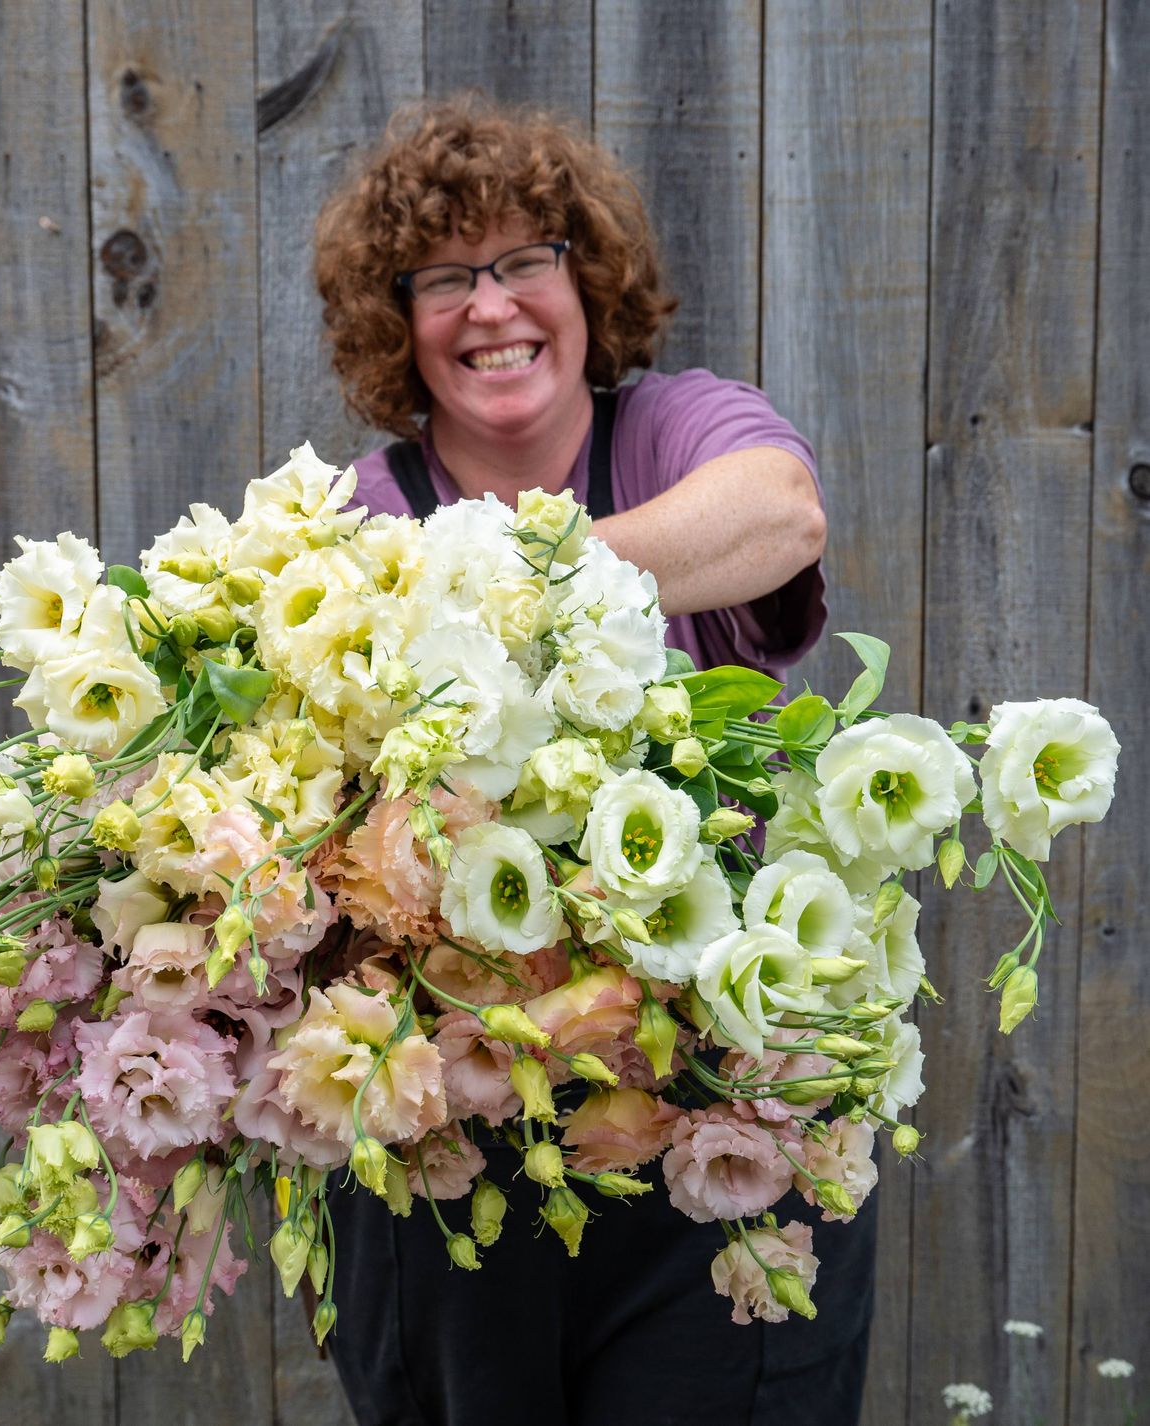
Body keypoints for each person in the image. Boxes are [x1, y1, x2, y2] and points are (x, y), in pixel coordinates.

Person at [311, 96, 877, 1426]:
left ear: (586, 279)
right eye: (445, 277)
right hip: (460, 1141)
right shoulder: (362, 515)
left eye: (525, 261)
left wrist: (511, 580)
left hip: (715, 1120)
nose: (491, 305)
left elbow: (780, 511)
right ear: (401, 320)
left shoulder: (674, 426)